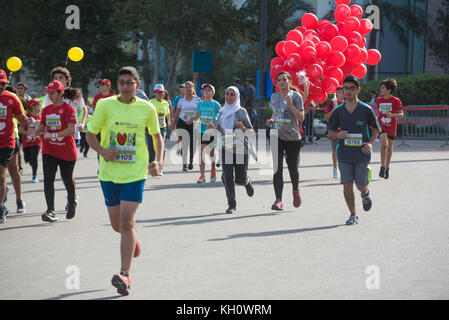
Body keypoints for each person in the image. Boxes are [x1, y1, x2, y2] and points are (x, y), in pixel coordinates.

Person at [86, 66, 163, 296]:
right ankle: (133, 241)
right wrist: (102, 151)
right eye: (122, 82)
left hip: (135, 173)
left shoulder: (147, 107)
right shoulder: (105, 105)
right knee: (117, 226)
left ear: (137, 85)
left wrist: (158, 161)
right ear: (117, 85)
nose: (126, 86)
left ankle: (124, 275)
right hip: (109, 174)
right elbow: (90, 134)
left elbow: (156, 135)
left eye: (130, 82)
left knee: (127, 221)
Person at [328, 76, 380, 226]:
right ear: (342, 90)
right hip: (344, 153)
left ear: (358, 90)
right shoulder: (338, 111)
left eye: (352, 88)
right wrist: (338, 135)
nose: (348, 91)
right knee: (347, 184)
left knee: (360, 185)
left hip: (362, 153)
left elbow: (376, 129)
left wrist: (370, 144)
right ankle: (353, 214)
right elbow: (330, 132)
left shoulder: (366, 109)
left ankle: (365, 193)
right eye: (346, 88)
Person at [32, 81, 78, 223]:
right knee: (48, 180)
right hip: (49, 150)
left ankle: (72, 202)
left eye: (52, 93)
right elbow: (41, 128)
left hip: (67, 151)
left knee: (67, 180)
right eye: (48, 93)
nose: (49, 96)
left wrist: (53, 135)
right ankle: (50, 210)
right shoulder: (46, 110)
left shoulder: (69, 109)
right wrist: (35, 130)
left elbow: (71, 129)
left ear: (60, 93)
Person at [208, 86, 254, 214]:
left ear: (237, 96)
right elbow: (219, 130)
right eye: (227, 94)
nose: (229, 97)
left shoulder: (241, 112)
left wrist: (242, 127)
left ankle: (247, 181)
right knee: (227, 176)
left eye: (232, 94)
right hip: (226, 147)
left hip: (240, 148)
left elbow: (250, 132)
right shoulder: (222, 112)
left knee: (239, 178)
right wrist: (212, 128)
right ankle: (231, 204)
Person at [266, 72, 305, 211]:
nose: (281, 82)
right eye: (279, 80)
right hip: (276, 135)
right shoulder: (274, 96)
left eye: (284, 79)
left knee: (292, 168)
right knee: (277, 169)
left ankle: (295, 190)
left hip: (292, 137)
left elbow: (301, 118)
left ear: (289, 81)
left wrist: (291, 105)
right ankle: (278, 200)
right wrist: (271, 120)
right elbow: (276, 112)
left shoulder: (296, 96)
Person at [0, 70, 34, 224]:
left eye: (3, 84)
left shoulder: (11, 98)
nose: (0, 87)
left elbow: (21, 117)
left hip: (8, 141)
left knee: (8, 172)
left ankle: (16, 200)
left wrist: (31, 123)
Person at [376, 78, 404, 179]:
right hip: (382, 126)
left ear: (389, 90)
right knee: (384, 144)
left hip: (391, 126)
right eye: (381, 88)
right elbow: (379, 113)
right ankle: (382, 167)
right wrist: (375, 120)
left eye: (383, 88)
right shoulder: (379, 100)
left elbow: (401, 114)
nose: (381, 90)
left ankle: (387, 167)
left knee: (389, 148)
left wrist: (392, 115)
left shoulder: (396, 100)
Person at [194, 83, 221, 183]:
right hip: (202, 131)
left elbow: (221, 116)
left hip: (212, 131)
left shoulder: (216, 104)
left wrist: (215, 124)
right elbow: (196, 117)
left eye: (209, 90)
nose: (207, 92)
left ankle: (213, 170)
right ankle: (202, 175)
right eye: (205, 91)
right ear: (203, 93)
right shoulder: (200, 104)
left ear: (213, 93)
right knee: (201, 152)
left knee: (211, 153)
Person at [173, 81, 200, 171]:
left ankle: (191, 161)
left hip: (193, 123)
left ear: (193, 89)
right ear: (184, 89)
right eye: (186, 87)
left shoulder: (197, 100)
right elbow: (177, 113)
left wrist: (192, 119)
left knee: (193, 143)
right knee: (184, 142)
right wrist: (174, 124)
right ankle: (184, 163)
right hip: (182, 122)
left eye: (190, 87)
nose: (188, 89)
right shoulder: (181, 100)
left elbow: (199, 112)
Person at [19, 99, 42, 183]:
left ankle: (34, 176)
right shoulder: (26, 118)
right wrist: (28, 133)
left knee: (34, 157)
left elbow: (44, 129)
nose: (40, 106)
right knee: (28, 159)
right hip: (27, 143)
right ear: (33, 106)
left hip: (37, 142)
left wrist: (39, 133)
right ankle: (29, 161)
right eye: (37, 104)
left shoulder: (41, 117)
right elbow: (20, 130)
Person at [149, 84, 170, 173]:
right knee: (151, 147)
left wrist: (169, 121)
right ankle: (151, 166)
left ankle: (160, 167)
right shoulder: (150, 102)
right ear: (154, 93)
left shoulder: (166, 103)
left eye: (161, 92)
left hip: (162, 127)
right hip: (152, 128)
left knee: (161, 147)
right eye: (158, 92)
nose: (160, 94)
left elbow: (168, 113)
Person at [324, 86, 345, 179]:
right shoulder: (331, 103)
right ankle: (335, 168)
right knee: (334, 151)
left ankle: (344, 169)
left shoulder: (348, 103)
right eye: (337, 93)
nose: (338, 94)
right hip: (333, 131)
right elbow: (326, 116)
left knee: (344, 150)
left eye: (340, 92)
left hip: (345, 131)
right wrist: (334, 109)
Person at [171, 84, 186, 156]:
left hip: (187, 121)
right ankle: (179, 147)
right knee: (179, 136)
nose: (182, 89)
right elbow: (173, 109)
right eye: (181, 87)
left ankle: (183, 148)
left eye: (184, 88)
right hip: (178, 120)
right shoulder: (177, 98)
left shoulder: (191, 99)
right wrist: (172, 119)